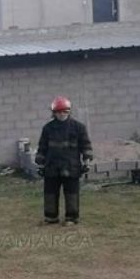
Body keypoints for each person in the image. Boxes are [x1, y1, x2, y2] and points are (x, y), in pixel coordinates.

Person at [35, 96, 93, 226]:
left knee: (71, 194)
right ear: (54, 113)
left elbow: (86, 145)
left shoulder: (79, 128)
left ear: (69, 111)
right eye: (58, 111)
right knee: (50, 193)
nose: (61, 114)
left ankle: (71, 218)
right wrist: (40, 162)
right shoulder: (47, 128)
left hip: (71, 166)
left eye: (64, 111)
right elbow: (42, 147)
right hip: (51, 167)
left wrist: (87, 161)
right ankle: (51, 217)